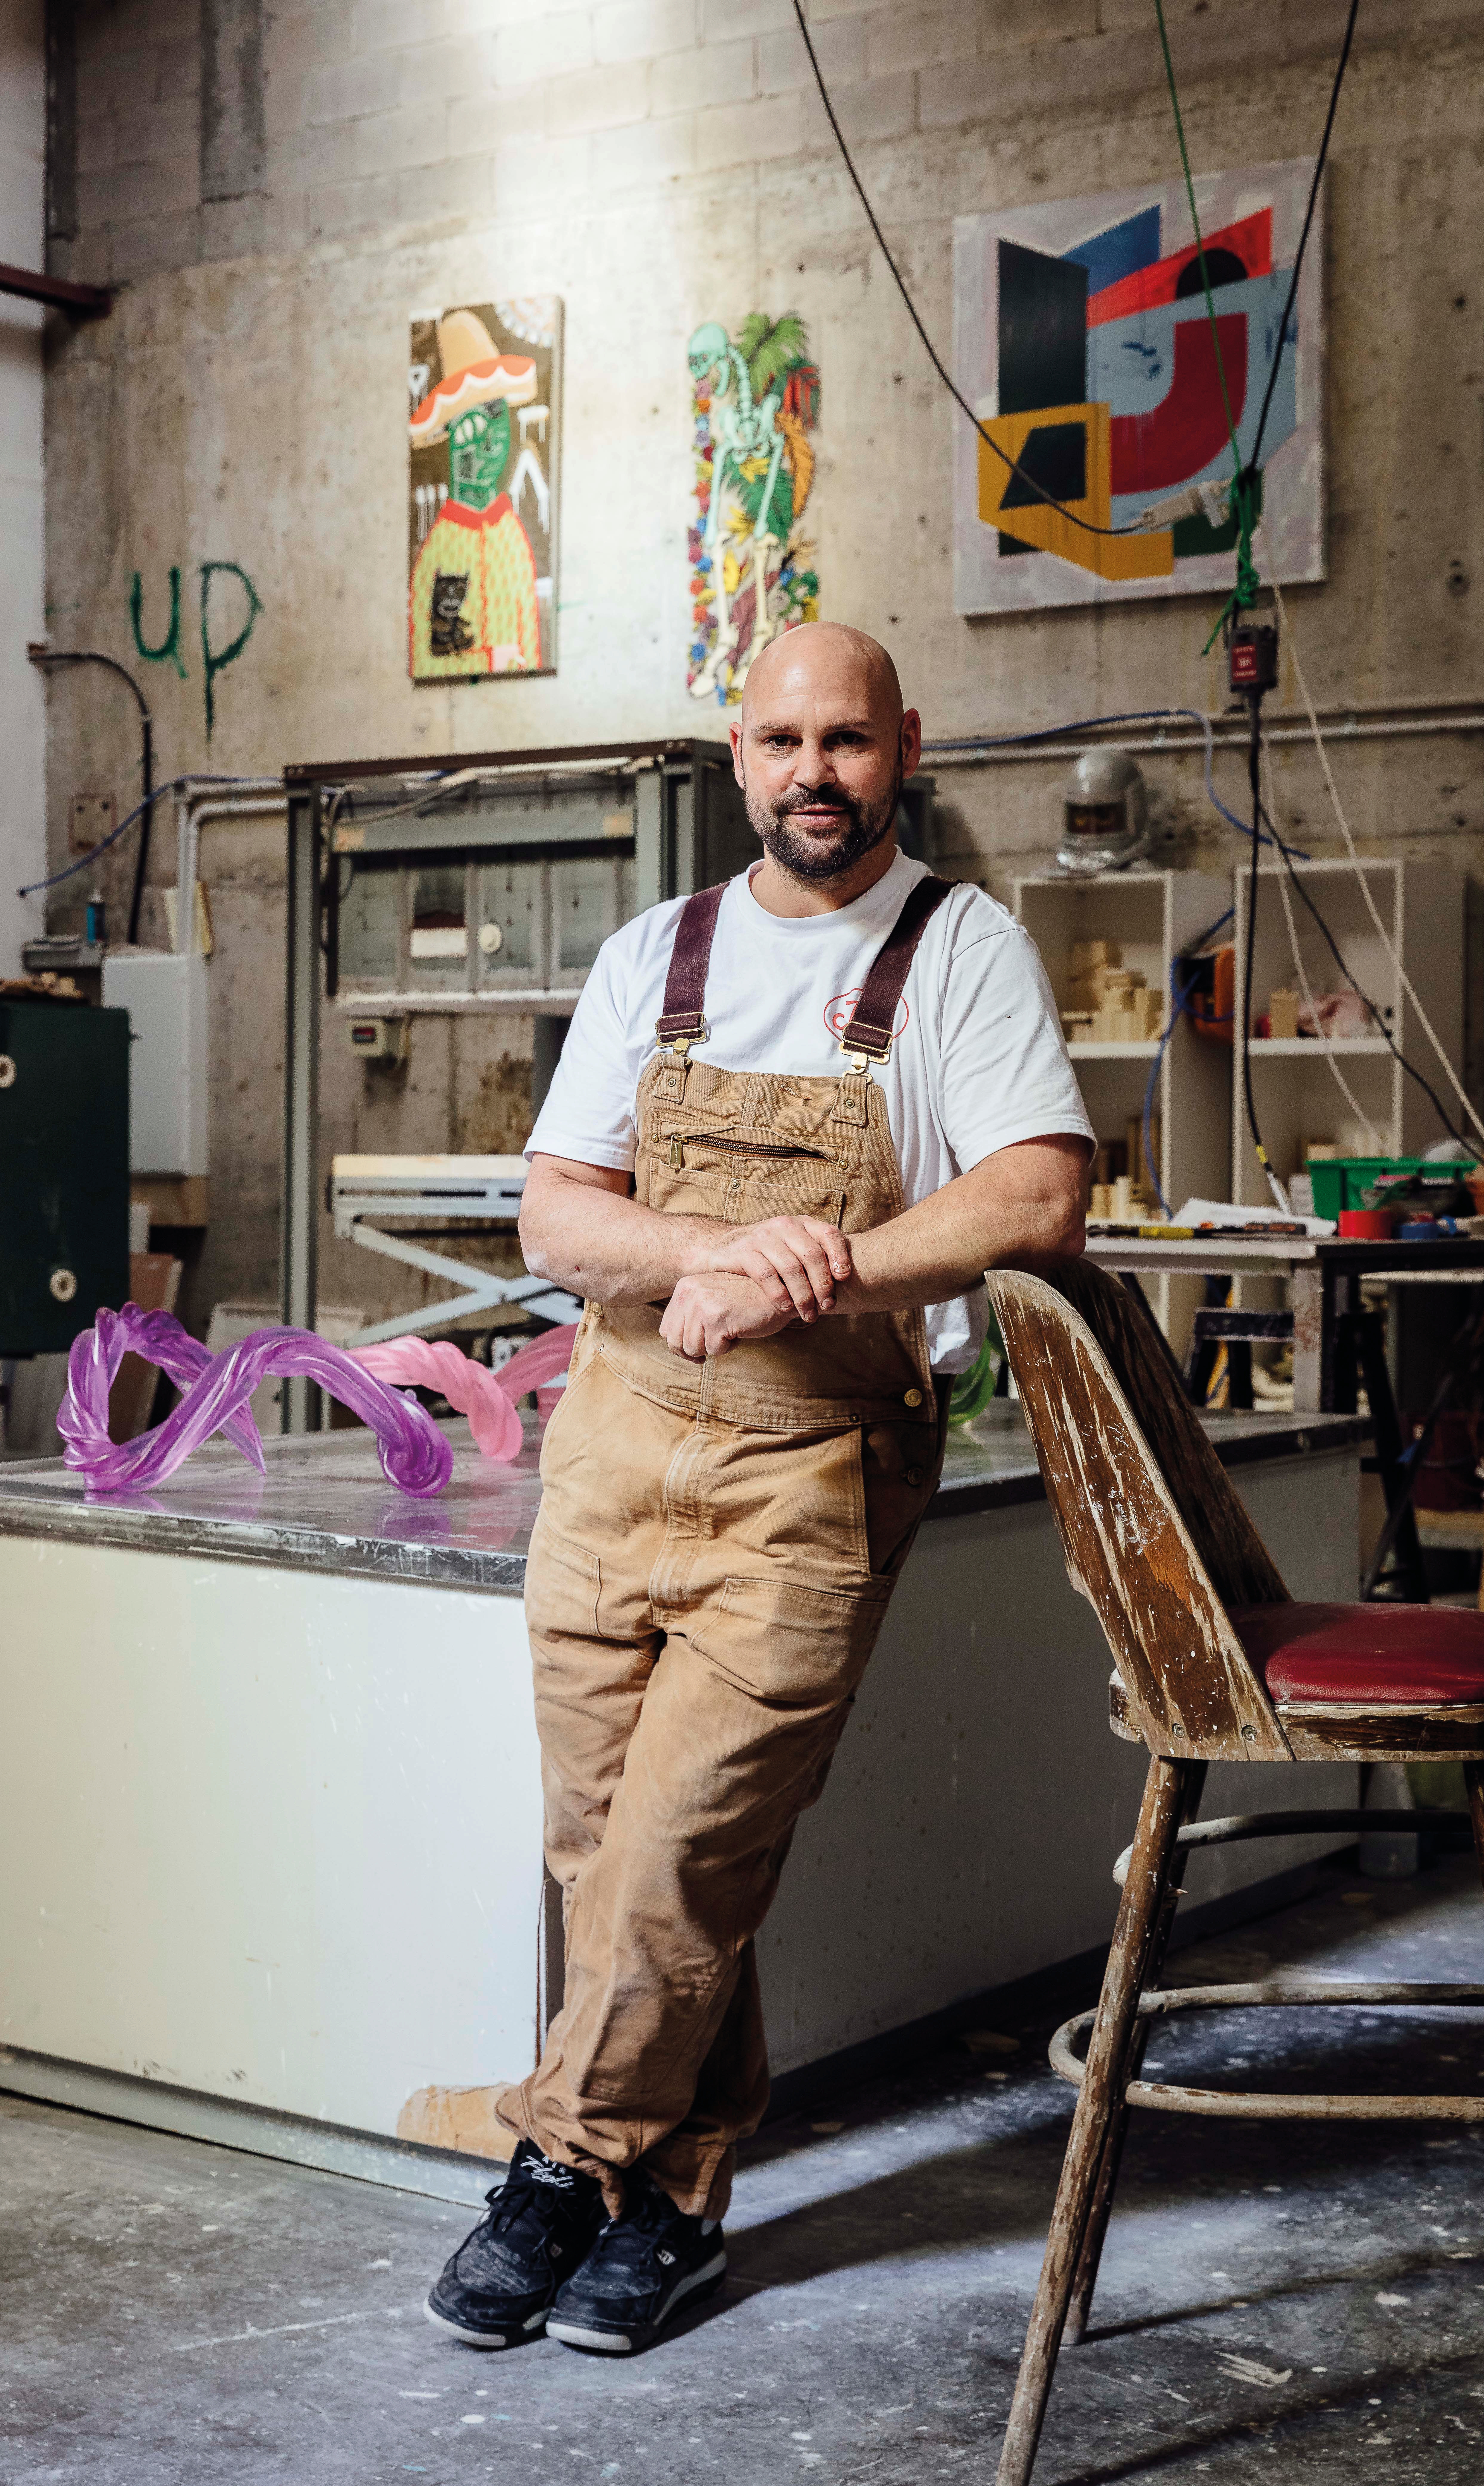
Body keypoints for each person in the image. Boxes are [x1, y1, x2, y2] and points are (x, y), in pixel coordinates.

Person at [426, 623, 1094, 2356]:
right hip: (615, 1440)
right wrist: (723, 1244)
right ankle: (673, 2209)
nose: (816, 771)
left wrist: (816, 1273)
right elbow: (558, 1212)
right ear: (738, 753)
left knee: (680, 1850)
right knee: (602, 1852)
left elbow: (1032, 1197)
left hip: (814, 1466)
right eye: (784, 738)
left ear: (902, 748)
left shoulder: (963, 950)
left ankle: (553, 2163)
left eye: (848, 740)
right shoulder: (659, 947)